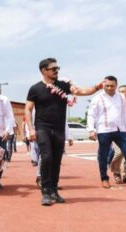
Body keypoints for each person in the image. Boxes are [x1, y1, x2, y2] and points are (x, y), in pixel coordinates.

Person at [25, 57, 104, 206]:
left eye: (58, 68)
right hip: (42, 127)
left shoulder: (63, 85)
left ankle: (54, 190)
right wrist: (30, 129)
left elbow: (81, 91)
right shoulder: (35, 88)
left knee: (56, 160)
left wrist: (97, 87)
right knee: (47, 157)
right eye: (53, 69)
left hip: (59, 128)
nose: (57, 71)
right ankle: (46, 192)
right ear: (44, 70)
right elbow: (28, 109)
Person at [87, 77, 126, 189]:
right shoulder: (97, 98)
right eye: (107, 85)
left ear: (116, 85)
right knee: (103, 156)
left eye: (112, 86)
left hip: (120, 130)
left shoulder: (121, 98)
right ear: (103, 85)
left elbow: (124, 114)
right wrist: (91, 129)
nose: (109, 88)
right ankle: (104, 178)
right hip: (104, 131)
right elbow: (91, 114)